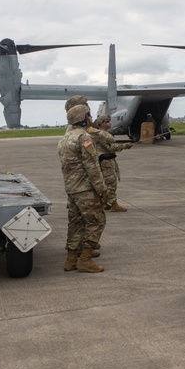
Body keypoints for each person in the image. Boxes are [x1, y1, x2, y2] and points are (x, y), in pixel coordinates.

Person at [58, 104, 110, 273]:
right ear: (82, 118)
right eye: (88, 115)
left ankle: (71, 260)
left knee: (75, 224)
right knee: (97, 221)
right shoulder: (84, 138)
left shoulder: (64, 139)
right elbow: (92, 166)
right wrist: (102, 189)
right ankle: (85, 259)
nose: (91, 118)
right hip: (85, 189)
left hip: (71, 189)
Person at [92, 112, 133, 212]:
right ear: (101, 123)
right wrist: (124, 146)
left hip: (108, 160)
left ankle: (106, 202)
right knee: (111, 183)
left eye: (109, 121)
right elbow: (110, 147)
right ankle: (113, 204)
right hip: (106, 161)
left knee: (107, 183)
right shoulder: (102, 134)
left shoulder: (103, 134)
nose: (109, 123)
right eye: (106, 122)